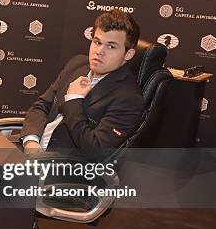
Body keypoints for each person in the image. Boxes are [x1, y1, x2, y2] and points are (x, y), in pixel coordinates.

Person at [19, 9, 144, 161]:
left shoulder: (129, 98)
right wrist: (31, 141)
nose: (99, 51)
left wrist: (73, 100)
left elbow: (95, 151)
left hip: (63, 169)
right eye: (97, 42)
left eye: (111, 46)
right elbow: (42, 105)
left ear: (128, 54)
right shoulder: (77, 64)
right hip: (32, 151)